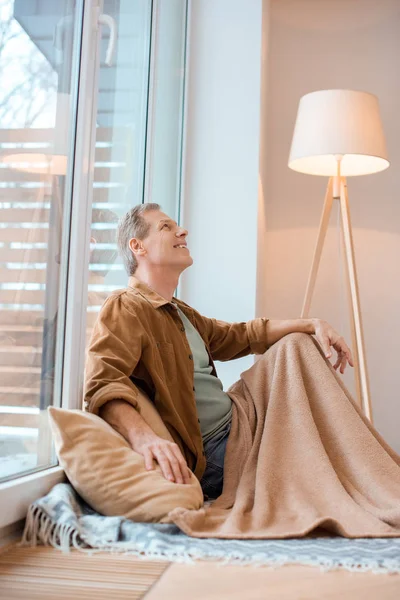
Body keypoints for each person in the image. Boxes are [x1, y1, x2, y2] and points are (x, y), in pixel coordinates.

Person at [84, 203, 354, 501]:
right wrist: (145, 439)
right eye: (165, 227)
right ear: (138, 247)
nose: (182, 231)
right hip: (215, 451)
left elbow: (244, 334)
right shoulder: (126, 306)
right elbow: (102, 382)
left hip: (239, 421)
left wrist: (312, 323)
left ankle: (359, 470)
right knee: (321, 460)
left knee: (297, 345)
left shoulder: (180, 312)